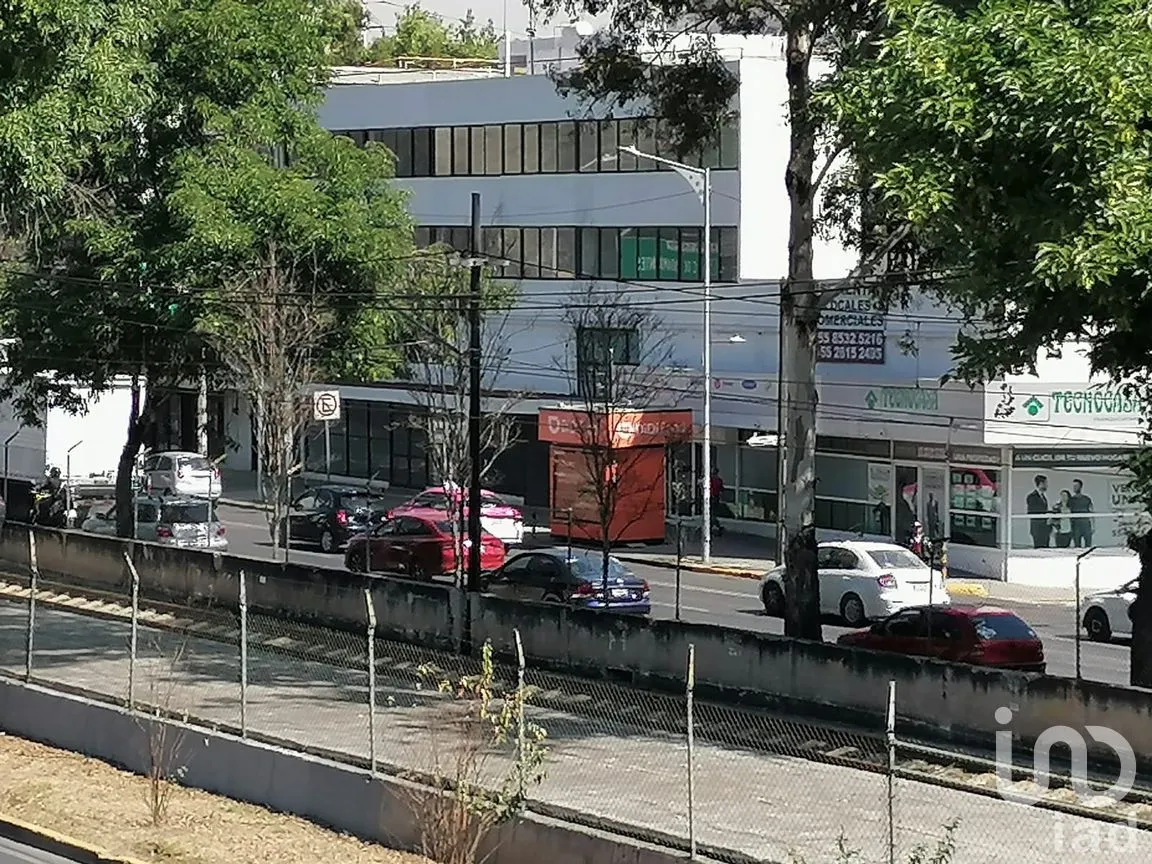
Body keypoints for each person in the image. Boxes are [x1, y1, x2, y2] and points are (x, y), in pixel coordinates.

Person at [1026, 474, 1050, 548]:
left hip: (1044, 527)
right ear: (1041, 484)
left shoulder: (1043, 497)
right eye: (1046, 483)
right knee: (1039, 547)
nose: (1047, 485)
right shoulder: (1032, 497)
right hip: (1037, 527)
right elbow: (1034, 511)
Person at [1069, 478, 1094, 548]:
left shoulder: (1086, 499)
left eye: (1076, 486)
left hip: (1086, 524)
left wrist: (1093, 526)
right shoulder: (1071, 500)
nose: (1074, 488)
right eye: (1073, 486)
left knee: (1088, 545)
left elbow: (1091, 512)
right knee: (1077, 545)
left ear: (1080, 487)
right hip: (1076, 525)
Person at [709, 468, 726, 536]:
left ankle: (715, 527)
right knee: (713, 514)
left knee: (712, 514)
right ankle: (716, 527)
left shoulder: (711, 480)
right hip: (716, 498)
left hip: (712, 498)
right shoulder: (719, 480)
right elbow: (722, 489)